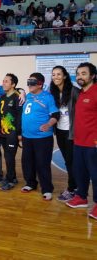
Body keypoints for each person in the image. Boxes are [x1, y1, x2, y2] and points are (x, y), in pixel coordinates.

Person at [21, 73, 59, 201]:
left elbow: (55, 114)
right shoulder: (27, 96)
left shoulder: (47, 97)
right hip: (27, 136)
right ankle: (30, 183)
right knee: (27, 162)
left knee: (42, 163)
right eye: (28, 81)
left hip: (42, 138)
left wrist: (49, 124)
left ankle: (47, 188)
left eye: (33, 82)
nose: (29, 84)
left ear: (40, 84)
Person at [66, 63, 97, 220]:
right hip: (79, 142)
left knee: (96, 175)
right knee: (80, 172)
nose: (80, 76)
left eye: (84, 73)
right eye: (78, 74)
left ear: (92, 76)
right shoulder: (81, 93)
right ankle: (82, 197)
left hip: (93, 143)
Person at [50, 66, 79, 202]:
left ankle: (72, 189)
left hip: (72, 132)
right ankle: (76, 186)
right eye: (53, 74)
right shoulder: (53, 92)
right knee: (69, 161)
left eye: (59, 74)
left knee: (71, 161)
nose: (56, 77)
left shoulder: (74, 91)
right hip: (60, 131)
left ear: (65, 76)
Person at [0, 74, 22, 190]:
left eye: (6, 81)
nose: (3, 83)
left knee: (10, 156)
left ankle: (10, 180)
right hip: (2, 132)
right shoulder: (2, 97)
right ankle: (12, 177)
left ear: (13, 84)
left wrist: (19, 133)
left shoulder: (18, 97)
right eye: (3, 81)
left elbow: (20, 117)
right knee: (7, 156)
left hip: (13, 133)